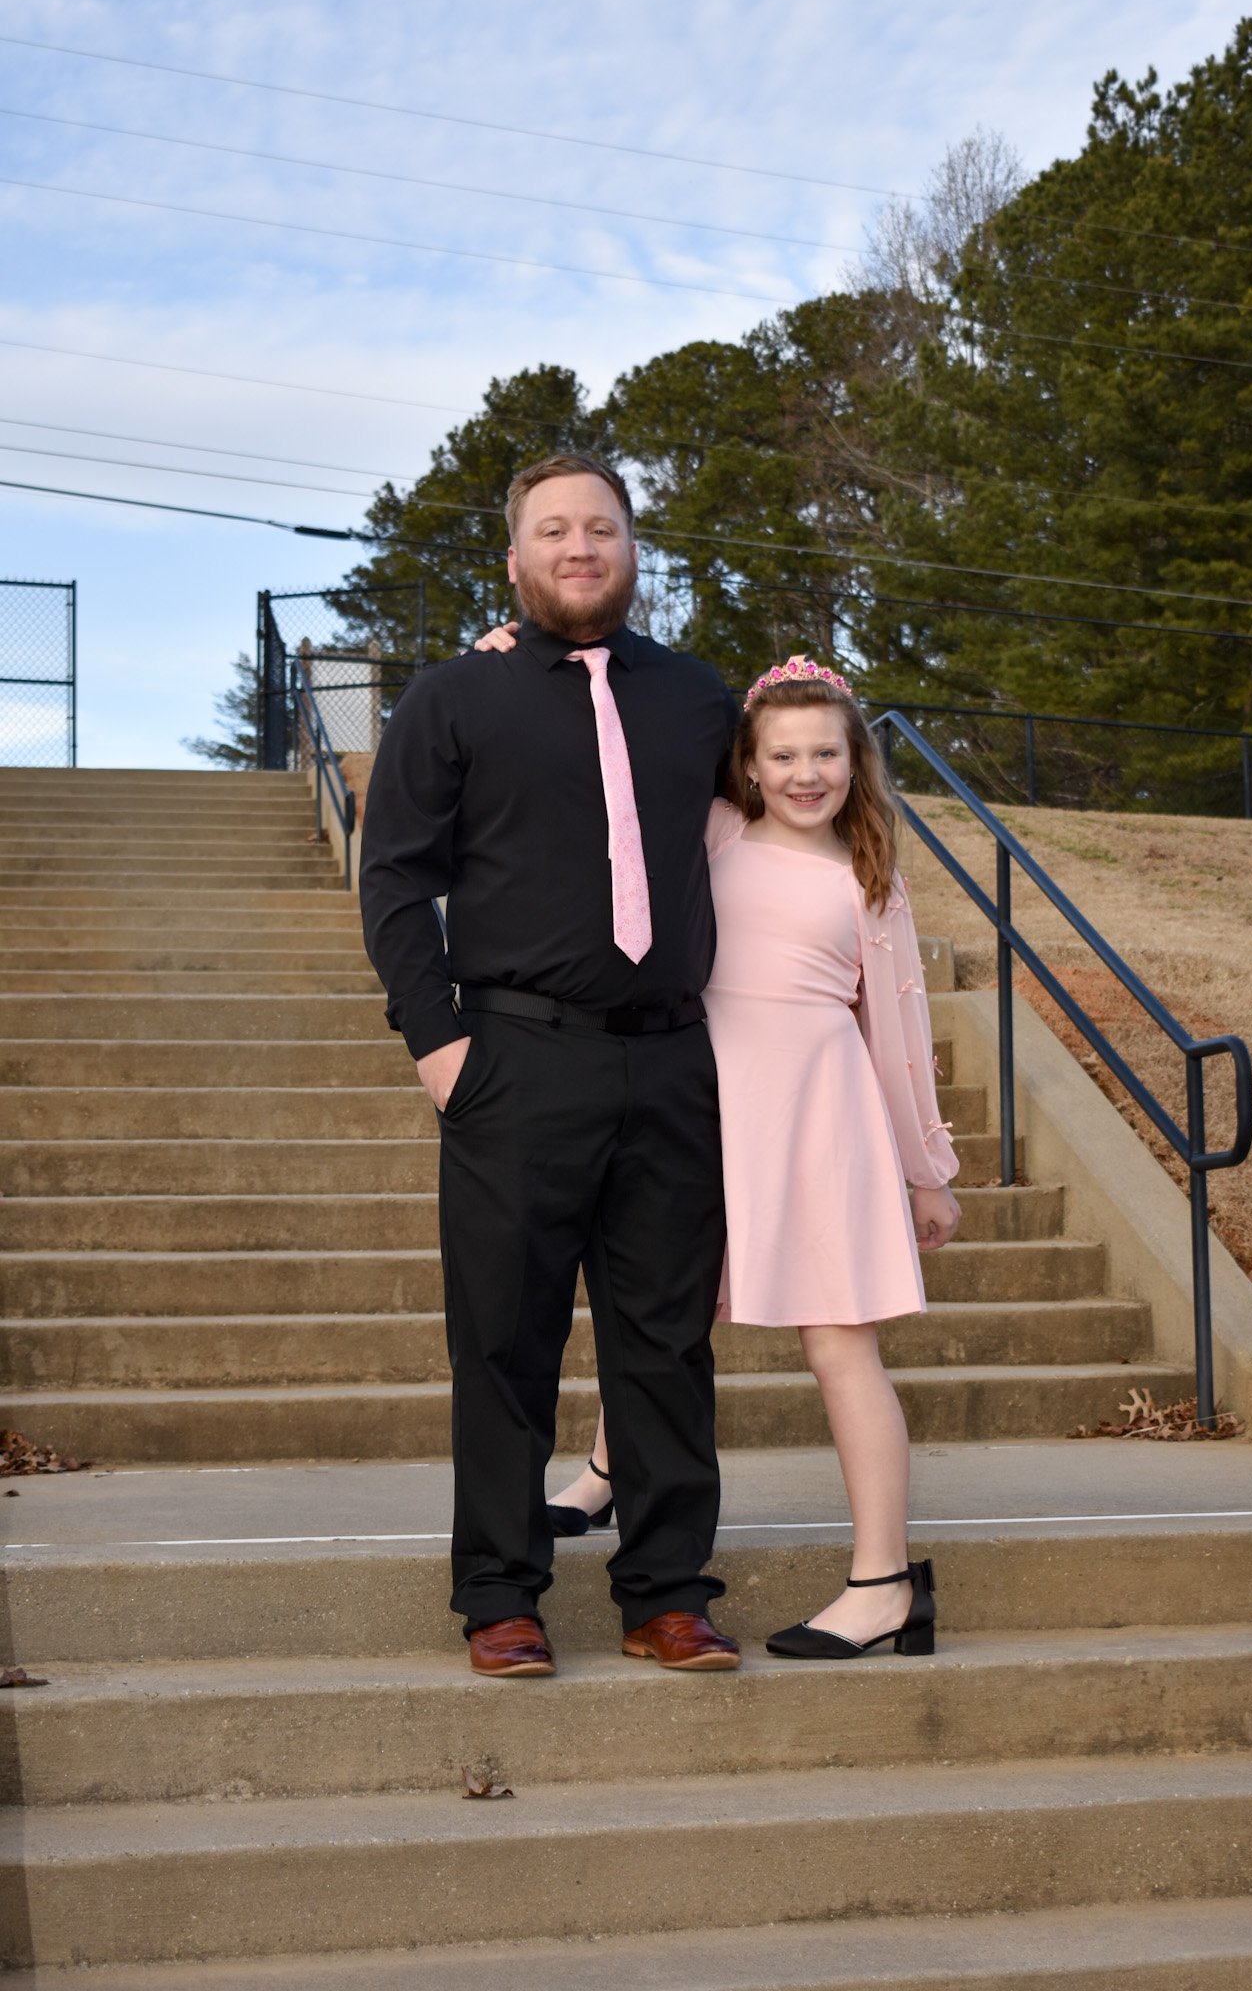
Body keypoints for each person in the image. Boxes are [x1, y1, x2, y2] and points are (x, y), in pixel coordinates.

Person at [479, 631, 963, 1658]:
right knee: (655, 1307)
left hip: (820, 1116)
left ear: (856, 762)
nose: (805, 773)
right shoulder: (711, 832)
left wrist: (925, 1169)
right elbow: (607, 753)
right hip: (696, 1098)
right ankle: (611, 1470)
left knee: (841, 1343)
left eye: (827, 754)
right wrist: (518, 653)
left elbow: (900, 1038)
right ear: (747, 762)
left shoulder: (869, 875)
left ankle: (882, 1580)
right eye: (782, 755)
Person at [360, 452, 741, 1678]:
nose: (581, 547)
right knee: (505, 1342)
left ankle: (669, 1591)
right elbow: (396, 879)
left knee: (666, 1343)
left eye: (604, 528)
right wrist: (440, 1046)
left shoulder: (700, 701)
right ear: (516, 557)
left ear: (634, 548)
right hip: (516, 1063)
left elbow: (789, 825)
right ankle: (500, 1594)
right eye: (554, 530)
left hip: (674, 1063)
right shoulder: (452, 701)